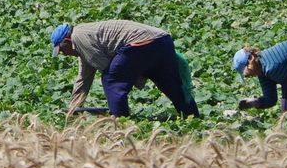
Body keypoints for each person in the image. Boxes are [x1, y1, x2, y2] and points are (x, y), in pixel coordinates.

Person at [51, 20, 199, 119]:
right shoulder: (83, 40)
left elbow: (106, 67)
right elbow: (84, 78)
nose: (64, 54)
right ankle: (193, 117)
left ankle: (121, 123)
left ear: (67, 41)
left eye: (62, 50)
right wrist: (73, 108)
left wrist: (135, 77)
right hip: (162, 41)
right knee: (170, 83)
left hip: (142, 44)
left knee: (111, 79)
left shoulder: (78, 37)